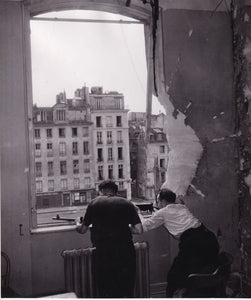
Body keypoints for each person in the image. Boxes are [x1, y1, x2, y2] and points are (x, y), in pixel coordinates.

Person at [133, 188, 220, 297]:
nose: (157, 204)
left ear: (163, 202)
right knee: (200, 272)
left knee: (174, 276)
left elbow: (142, 228)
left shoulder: (163, 212)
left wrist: (135, 218)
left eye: (158, 201)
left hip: (194, 243)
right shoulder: (181, 207)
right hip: (209, 238)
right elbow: (172, 211)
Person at [76, 180, 142, 298]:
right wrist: (123, 227)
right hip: (125, 252)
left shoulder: (94, 203)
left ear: (101, 191)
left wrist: (77, 224)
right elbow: (139, 230)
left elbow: (82, 230)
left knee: (105, 287)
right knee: (125, 287)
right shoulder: (127, 203)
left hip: (103, 252)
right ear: (116, 192)